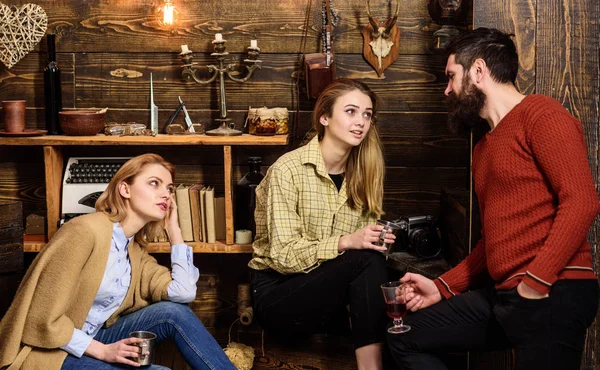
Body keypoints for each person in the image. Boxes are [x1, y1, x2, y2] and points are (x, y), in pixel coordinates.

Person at [387, 27, 600, 370]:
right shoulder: (484, 148)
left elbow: (581, 202)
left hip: (553, 291)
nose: (447, 90)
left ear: (479, 71)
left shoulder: (542, 114)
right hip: (506, 295)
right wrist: (440, 287)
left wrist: (535, 283)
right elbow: (494, 243)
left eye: (451, 77)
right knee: (404, 335)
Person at [0, 154, 236, 370]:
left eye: (169, 188)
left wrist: (174, 231)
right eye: (154, 183)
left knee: (174, 312)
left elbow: (182, 293)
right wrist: (103, 351)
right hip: (52, 350)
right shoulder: (84, 231)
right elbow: (41, 318)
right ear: (125, 189)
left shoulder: (133, 252)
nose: (166, 193)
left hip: (96, 338)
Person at [248, 78, 395, 370]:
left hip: (334, 297)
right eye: (351, 111)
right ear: (324, 118)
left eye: (367, 114)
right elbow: (283, 255)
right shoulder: (288, 170)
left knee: (375, 265)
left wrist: (378, 240)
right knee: (363, 259)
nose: (361, 122)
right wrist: (347, 241)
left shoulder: (366, 173)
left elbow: (362, 258)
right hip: (279, 296)